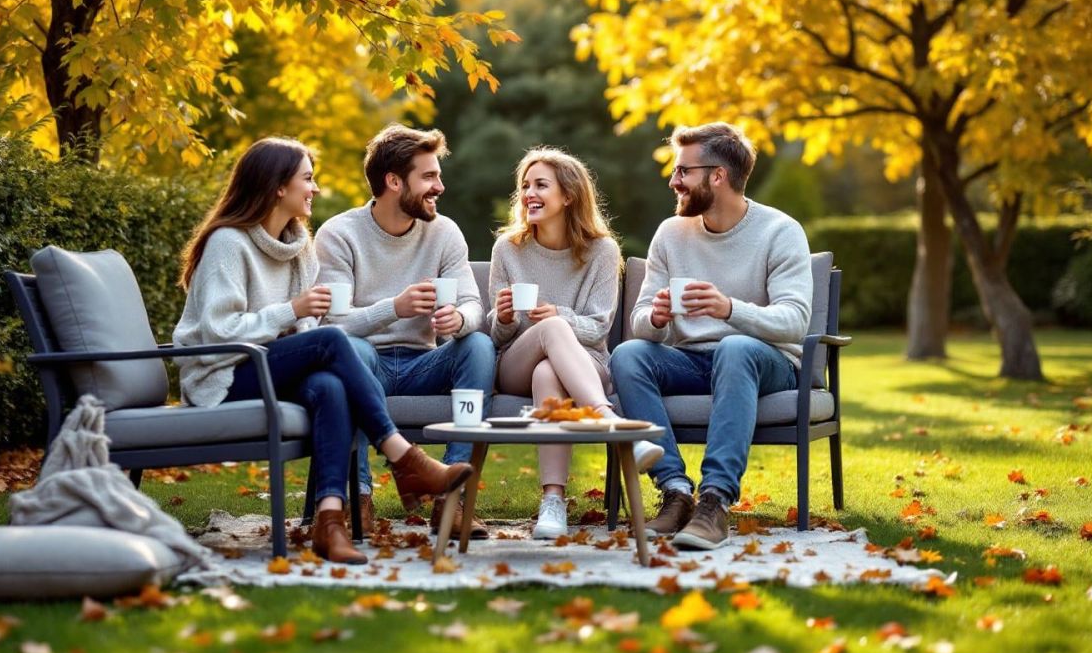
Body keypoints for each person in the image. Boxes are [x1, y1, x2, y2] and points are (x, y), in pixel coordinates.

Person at [173, 137, 473, 564]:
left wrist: (300, 320)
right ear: (279, 186)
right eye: (307, 179)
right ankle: (403, 456)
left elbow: (307, 329)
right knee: (333, 340)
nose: (314, 189)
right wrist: (290, 312)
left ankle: (330, 522)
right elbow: (219, 333)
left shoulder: (298, 246)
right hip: (222, 376)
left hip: (270, 370)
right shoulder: (228, 243)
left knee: (330, 386)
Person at [609, 123, 812, 550]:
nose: (674, 180)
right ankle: (676, 491)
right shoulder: (671, 233)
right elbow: (640, 320)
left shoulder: (780, 231)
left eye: (683, 171)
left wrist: (729, 310)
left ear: (716, 176)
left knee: (735, 347)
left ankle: (715, 500)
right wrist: (658, 319)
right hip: (692, 359)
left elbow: (795, 321)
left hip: (764, 361)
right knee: (629, 355)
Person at [315, 124, 496, 540]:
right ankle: (356, 498)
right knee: (352, 349)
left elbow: (473, 304)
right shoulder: (340, 235)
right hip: (365, 363)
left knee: (479, 346)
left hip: (424, 362)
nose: (440, 187)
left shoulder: (444, 232)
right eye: (428, 177)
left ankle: (452, 497)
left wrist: (460, 320)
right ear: (394, 182)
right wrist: (392, 308)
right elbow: (332, 328)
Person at [489, 147, 663, 539]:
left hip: (586, 364)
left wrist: (557, 314)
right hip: (515, 361)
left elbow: (599, 329)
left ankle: (552, 501)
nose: (529, 193)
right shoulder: (508, 249)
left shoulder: (602, 251)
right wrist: (501, 318)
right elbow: (497, 336)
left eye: (540, 185)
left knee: (549, 369)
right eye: (525, 186)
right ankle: (608, 420)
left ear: (568, 195)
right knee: (549, 335)